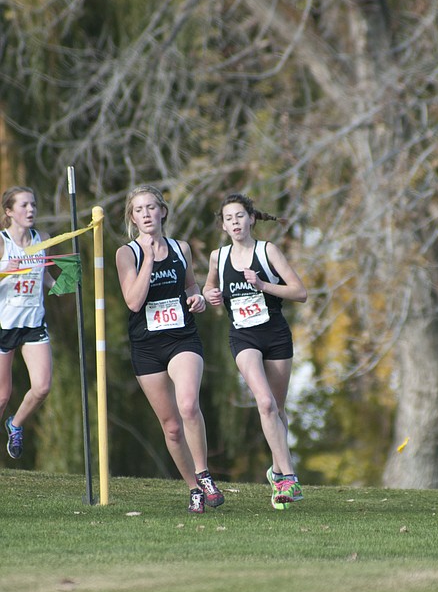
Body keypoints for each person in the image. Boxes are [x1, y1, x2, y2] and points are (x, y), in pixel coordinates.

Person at [115, 184, 224, 514]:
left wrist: (198, 299)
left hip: (182, 339)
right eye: (139, 210)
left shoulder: (181, 248)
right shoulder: (127, 253)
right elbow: (133, 301)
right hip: (147, 347)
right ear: (133, 219)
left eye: (151, 207)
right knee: (172, 427)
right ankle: (193, 488)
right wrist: (148, 256)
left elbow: (191, 286)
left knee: (188, 405)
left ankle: (204, 475)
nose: (146, 214)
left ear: (163, 211)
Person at [203, 192, 307, 510]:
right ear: (223, 226)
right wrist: (211, 296)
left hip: (275, 335)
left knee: (276, 408)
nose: (234, 222)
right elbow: (208, 287)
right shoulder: (217, 258)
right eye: (228, 218)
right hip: (243, 338)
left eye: (239, 216)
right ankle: (289, 478)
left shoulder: (267, 251)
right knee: (263, 403)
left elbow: (300, 292)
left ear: (251, 218)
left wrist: (263, 286)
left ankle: (277, 472)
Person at [0, 186, 56, 459]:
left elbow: (43, 276)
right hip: (4, 326)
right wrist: (3, 270)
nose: (31, 210)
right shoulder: (2, 243)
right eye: (24, 205)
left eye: (33, 204)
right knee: (2, 396)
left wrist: (59, 284)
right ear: (9, 212)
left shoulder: (42, 239)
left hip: (33, 323)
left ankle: (16, 424)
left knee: (43, 386)